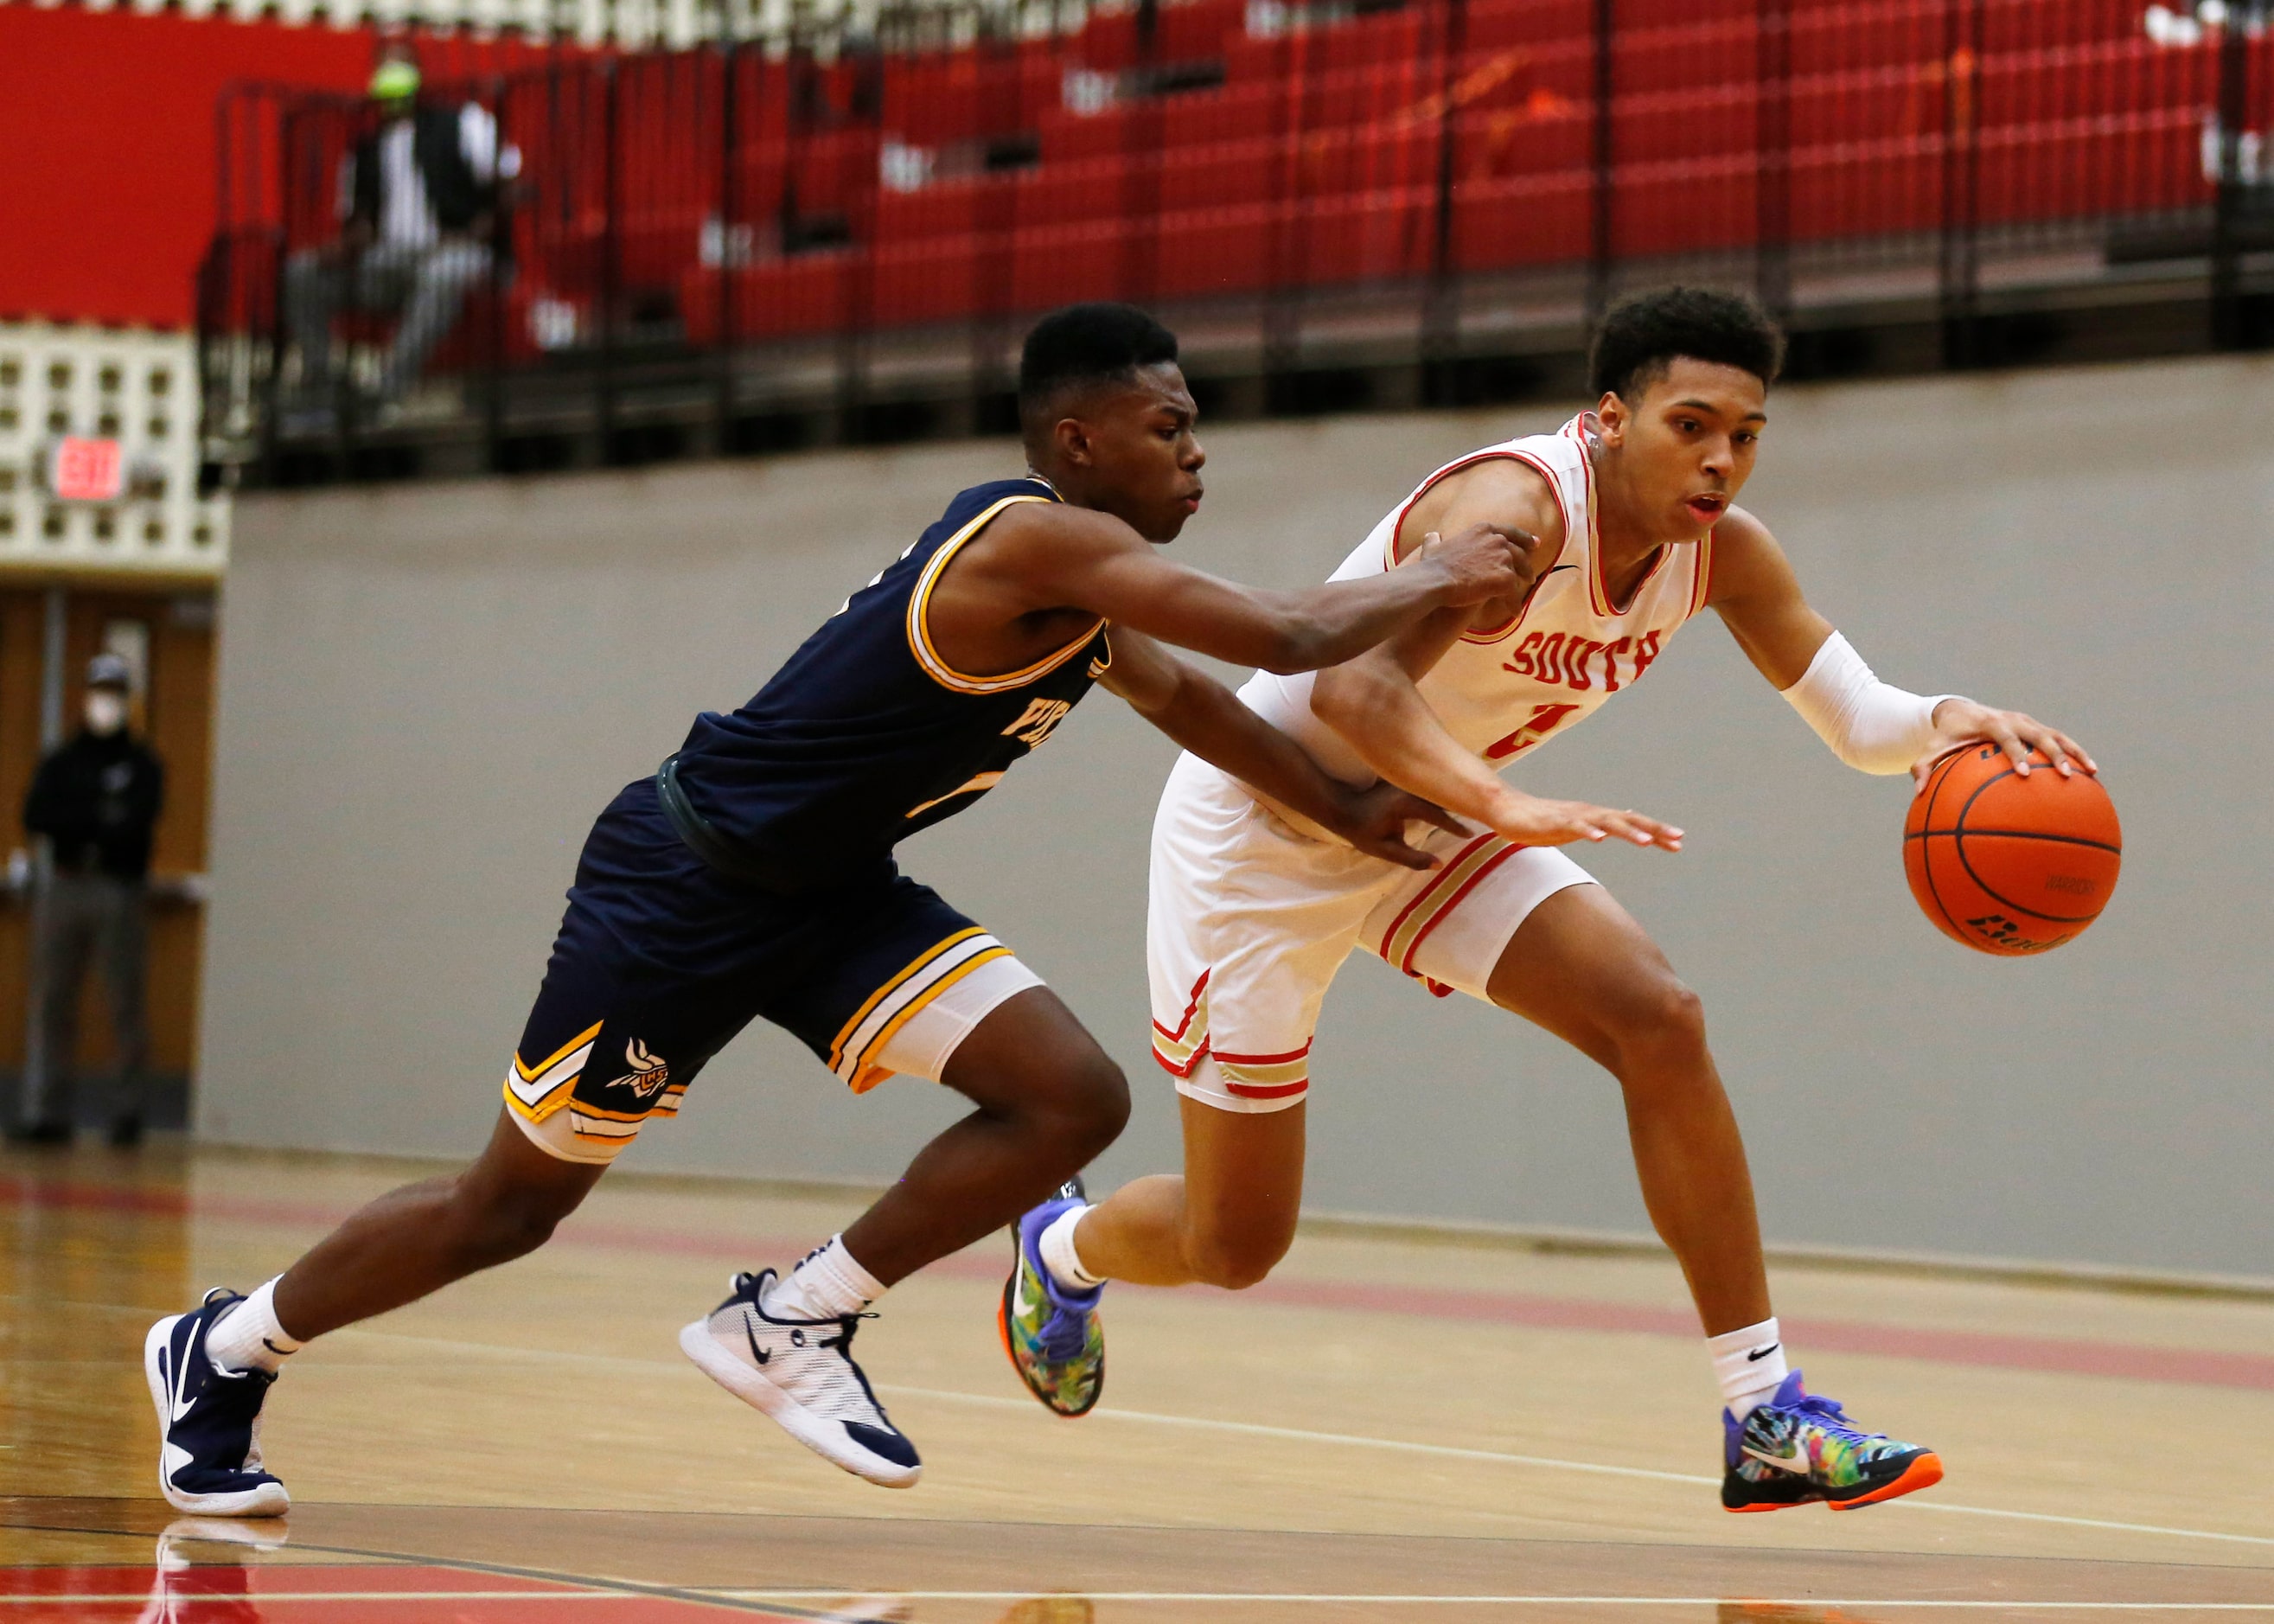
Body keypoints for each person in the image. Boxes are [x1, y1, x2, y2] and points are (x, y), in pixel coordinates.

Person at [144, 302, 1610, 1518]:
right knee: (506, 1210)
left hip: (834, 896)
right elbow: (1292, 631)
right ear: (1076, 440)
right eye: (1169, 426)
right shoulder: (1036, 538)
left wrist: (1345, 807)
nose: (1196, 448)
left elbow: (1189, 698)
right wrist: (1439, 564)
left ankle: (793, 1316)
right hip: (686, 884)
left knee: (1066, 1095)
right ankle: (223, 1344)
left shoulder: (1088, 595)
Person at [1002, 287, 2097, 1513]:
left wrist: (1952, 725)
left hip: (1420, 820)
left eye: (1745, 433)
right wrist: (1503, 802)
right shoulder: (1514, 511)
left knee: (1658, 1016)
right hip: (1264, 832)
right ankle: (1060, 1247)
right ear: (1611, 417)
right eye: (1692, 424)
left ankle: (1763, 1413)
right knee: (1234, 1243)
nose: (1721, 458)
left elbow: (1856, 718)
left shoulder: (1721, 550)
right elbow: (1355, 695)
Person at [282, 46, 519, 420]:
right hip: (388, 262)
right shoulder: (365, 150)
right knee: (301, 272)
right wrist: (342, 248)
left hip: (458, 253)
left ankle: (387, 386)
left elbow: (510, 185)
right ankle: (321, 377)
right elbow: (358, 220)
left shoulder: (464, 124)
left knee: (444, 274)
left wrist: (479, 229)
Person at [10, 653, 164, 1149]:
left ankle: (127, 1113)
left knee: (124, 1002)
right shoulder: (63, 760)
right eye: (100, 691)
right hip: (65, 884)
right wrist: (97, 817)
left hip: (118, 887)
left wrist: (89, 820)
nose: (106, 702)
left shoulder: (141, 763)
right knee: (52, 1001)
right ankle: (47, 1111)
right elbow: (38, 815)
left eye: (115, 693)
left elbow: (137, 822)